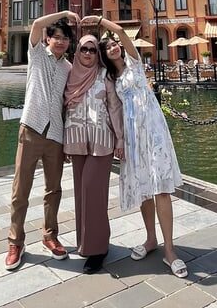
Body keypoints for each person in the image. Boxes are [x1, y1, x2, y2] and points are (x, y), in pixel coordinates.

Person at [96, 16, 188, 279]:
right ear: (104, 55)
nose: (113, 47)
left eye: (114, 44)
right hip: (133, 135)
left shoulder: (134, 63)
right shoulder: (111, 78)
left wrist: (101, 21)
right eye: (108, 46)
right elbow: (113, 109)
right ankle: (151, 239)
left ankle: (170, 249)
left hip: (153, 129)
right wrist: (119, 140)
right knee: (144, 188)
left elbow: (122, 32)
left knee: (161, 189)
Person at [4, 9, 79, 271]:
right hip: (31, 128)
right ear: (48, 38)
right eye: (57, 37)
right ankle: (15, 242)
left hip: (56, 134)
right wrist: (66, 13)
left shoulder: (69, 68)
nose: (61, 42)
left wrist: (69, 141)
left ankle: (50, 236)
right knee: (20, 190)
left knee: (54, 189)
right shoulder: (36, 54)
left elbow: (68, 103)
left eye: (65, 38)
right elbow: (36, 23)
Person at [63, 33, 125, 274]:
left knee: (93, 192)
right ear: (77, 51)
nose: (88, 53)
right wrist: (62, 143)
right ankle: (85, 244)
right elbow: (62, 107)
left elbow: (114, 106)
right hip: (76, 140)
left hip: (102, 141)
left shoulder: (104, 74)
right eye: (84, 49)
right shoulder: (70, 74)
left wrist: (120, 138)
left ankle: (98, 249)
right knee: (81, 193)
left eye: (92, 49)